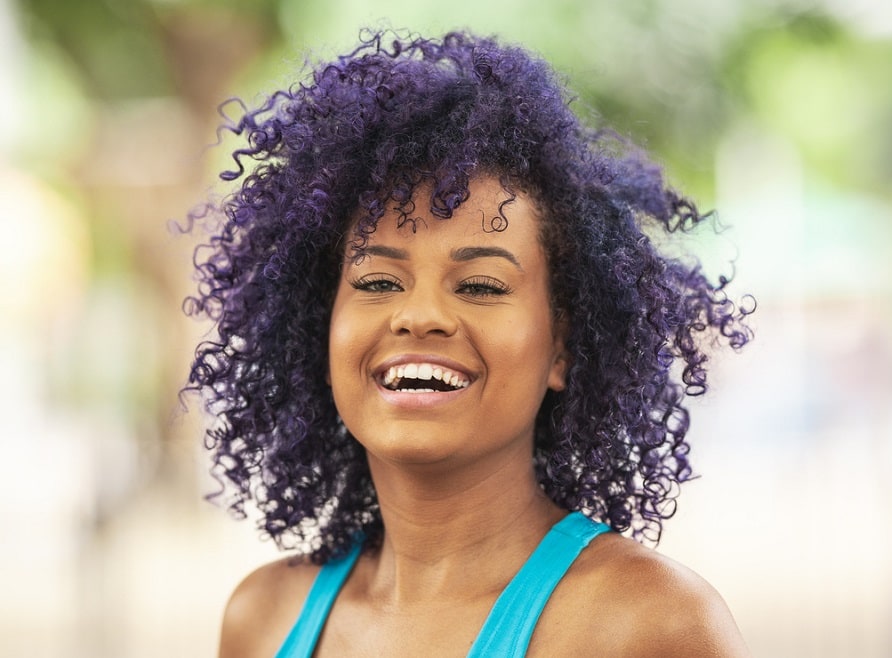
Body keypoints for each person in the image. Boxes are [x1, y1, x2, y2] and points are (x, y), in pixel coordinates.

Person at [185, 29, 754, 657]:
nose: (420, 315)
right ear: (319, 330)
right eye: (377, 280)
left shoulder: (644, 624)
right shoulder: (262, 619)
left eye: (481, 285)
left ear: (562, 347)